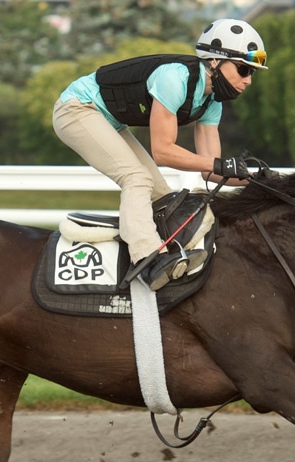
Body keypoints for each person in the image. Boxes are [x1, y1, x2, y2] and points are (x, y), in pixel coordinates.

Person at [52, 18, 267, 290]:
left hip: (107, 120)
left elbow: (210, 171)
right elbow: (163, 152)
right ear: (215, 61)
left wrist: (257, 179)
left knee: (162, 195)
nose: (248, 80)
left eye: (252, 72)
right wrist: (220, 164)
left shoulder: (212, 102)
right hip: (76, 109)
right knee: (137, 178)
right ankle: (148, 260)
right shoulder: (174, 79)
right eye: (243, 69)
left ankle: (170, 253)